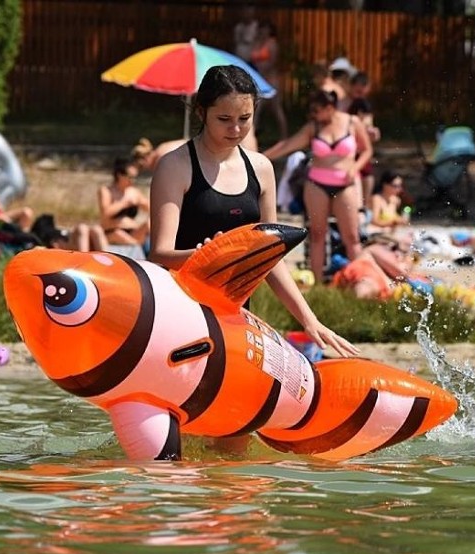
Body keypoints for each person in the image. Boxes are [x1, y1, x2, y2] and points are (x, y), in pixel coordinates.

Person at [149, 64, 358, 359]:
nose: (235, 130)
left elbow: (271, 256)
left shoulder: (260, 168)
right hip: (180, 314)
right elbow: (159, 254)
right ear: (200, 112)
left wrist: (310, 322)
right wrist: (213, 255)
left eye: (244, 119)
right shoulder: (175, 166)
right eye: (224, 119)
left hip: (232, 316)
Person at [263, 89, 373, 284]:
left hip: (345, 184)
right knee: (317, 234)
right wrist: (261, 157)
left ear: (330, 108)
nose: (313, 115)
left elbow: (367, 150)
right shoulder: (313, 127)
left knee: (352, 236)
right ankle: (317, 284)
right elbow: (287, 145)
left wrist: (355, 167)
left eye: (316, 110)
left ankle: (363, 280)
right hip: (317, 184)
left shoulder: (352, 122)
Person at [98, 157, 150, 247]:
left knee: (149, 224)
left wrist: (142, 203)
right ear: (119, 175)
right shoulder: (106, 191)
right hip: (113, 231)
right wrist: (124, 203)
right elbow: (106, 213)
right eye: (130, 177)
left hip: (132, 230)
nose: (132, 180)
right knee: (118, 234)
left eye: (134, 177)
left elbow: (151, 208)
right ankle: (136, 245)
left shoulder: (134, 191)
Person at [347, 71, 381, 208]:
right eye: (357, 90)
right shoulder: (344, 103)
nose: (359, 93)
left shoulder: (364, 106)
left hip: (360, 151)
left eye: (362, 90)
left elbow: (369, 129)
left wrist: (372, 133)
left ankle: (364, 208)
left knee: (367, 175)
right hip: (348, 152)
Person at [251, 20, 288, 139]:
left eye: (265, 29)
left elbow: (272, 62)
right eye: (261, 29)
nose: (262, 31)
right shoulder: (256, 43)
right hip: (258, 79)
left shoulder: (272, 44)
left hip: (270, 80)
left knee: (276, 109)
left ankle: (284, 137)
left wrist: (261, 69)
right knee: (257, 108)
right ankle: (252, 136)